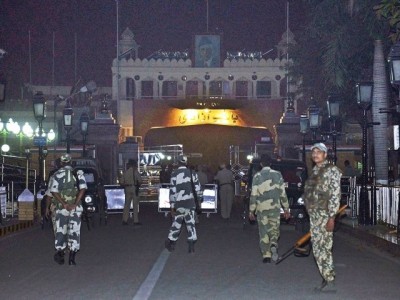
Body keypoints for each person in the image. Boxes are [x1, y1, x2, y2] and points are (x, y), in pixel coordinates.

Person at [302, 143, 342, 293]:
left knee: (324, 247)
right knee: (318, 248)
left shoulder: (331, 170)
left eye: (319, 152)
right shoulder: (315, 171)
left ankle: (329, 280)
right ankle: (326, 277)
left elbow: (335, 195)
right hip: (315, 216)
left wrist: (332, 217)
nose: (315, 154)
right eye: (313, 152)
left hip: (325, 215)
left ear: (325, 154)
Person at [248, 154, 290, 263]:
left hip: (261, 209)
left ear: (261, 164)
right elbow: (282, 193)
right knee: (274, 229)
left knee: (263, 231)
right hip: (275, 208)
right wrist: (286, 209)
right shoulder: (277, 174)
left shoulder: (257, 176)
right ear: (270, 163)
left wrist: (251, 210)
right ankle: (273, 243)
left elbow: (253, 194)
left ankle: (266, 255)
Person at [50, 153, 87, 266]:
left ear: (61, 163)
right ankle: (72, 259)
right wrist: (75, 204)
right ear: (71, 162)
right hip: (75, 208)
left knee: (61, 231)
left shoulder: (56, 174)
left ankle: (60, 254)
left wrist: (64, 204)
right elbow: (83, 189)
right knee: (74, 231)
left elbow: (54, 191)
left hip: (62, 208)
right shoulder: (78, 173)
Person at [165, 155, 201, 253]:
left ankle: (171, 241)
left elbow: (172, 191)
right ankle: (191, 245)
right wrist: (199, 200)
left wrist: (172, 206)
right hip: (190, 203)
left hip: (179, 204)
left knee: (177, 223)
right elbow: (197, 189)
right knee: (191, 224)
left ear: (178, 163)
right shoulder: (192, 173)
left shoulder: (174, 174)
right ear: (186, 162)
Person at [120, 159, 142, 225]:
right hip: (134, 188)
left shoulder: (125, 172)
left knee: (127, 205)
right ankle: (135, 221)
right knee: (135, 205)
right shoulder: (135, 171)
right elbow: (140, 180)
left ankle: (125, 220)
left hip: (127, 188)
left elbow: (121, 182)